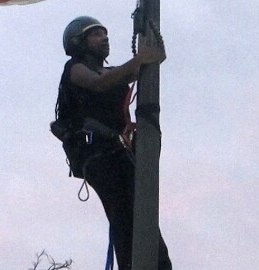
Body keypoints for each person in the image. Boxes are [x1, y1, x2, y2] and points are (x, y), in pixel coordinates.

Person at [56, 15, 172, 270]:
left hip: (118, 153)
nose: (104, 38)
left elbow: (125, 73)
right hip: (99, 155)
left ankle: (159, 263)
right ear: (78, 43)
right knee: (124, 216)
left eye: (104, 33)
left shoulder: (107, 71)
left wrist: (152, 57)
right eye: (95, 34)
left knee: (141, 212)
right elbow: (100, 84)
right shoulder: (75, 68)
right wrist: (140, 59)